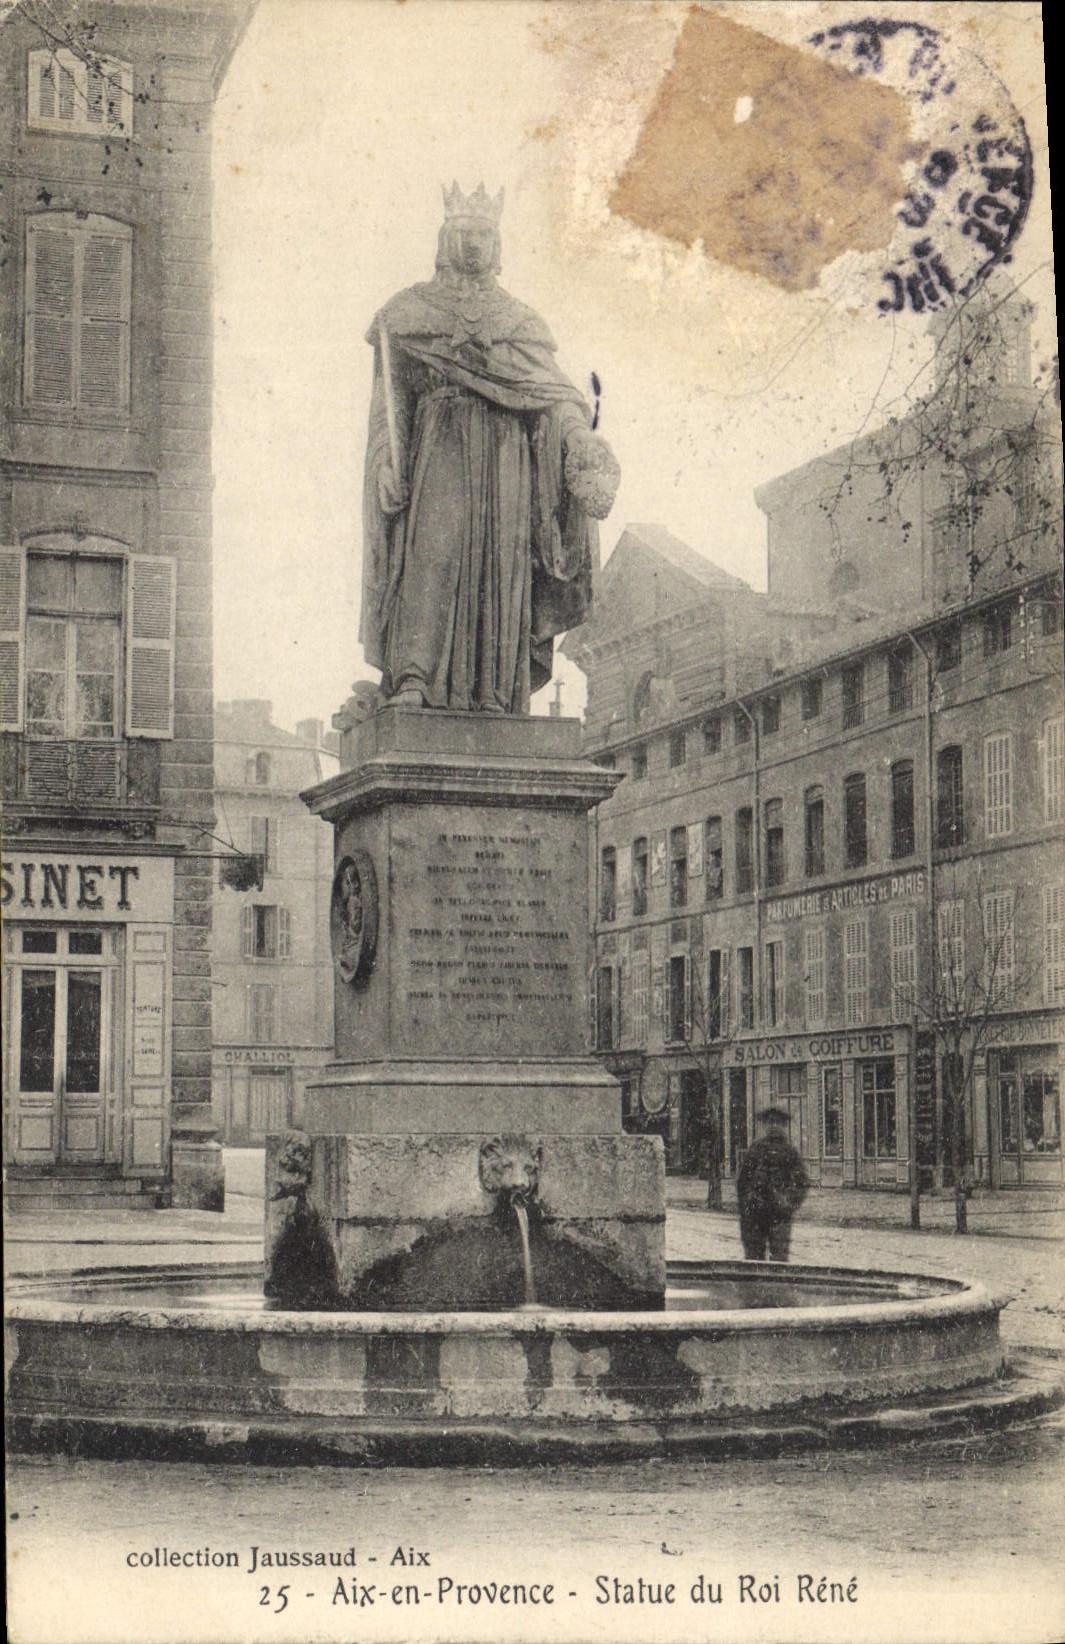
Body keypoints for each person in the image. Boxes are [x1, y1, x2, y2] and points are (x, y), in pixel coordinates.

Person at [359, 182, 620, 715]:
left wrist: (578, 439)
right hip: (440, 452)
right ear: (445, 239)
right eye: (464, 234)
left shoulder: (520, 324)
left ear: (497, 242)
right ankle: (414, 677)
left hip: (507, 464)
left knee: (503, 570)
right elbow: (389, 409)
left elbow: (555, 396)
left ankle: (497, 692)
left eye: (483, 233)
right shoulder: (408, 314)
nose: (474, 244)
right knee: (432, 554)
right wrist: (387, 461)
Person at [736, 1107, 808, 1262]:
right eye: (770, 1122)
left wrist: (788, 1202)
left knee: (779, 1260)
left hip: (780, 1215)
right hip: (755, 1214)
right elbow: (742, 1182)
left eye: (778, 1122)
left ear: (784, 1126)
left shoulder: (790, 1152)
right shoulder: (755, 1149)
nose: (774, 1126)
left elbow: (801, 1183)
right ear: (765, 1125)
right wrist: (746, 1205)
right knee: (753, 1259)